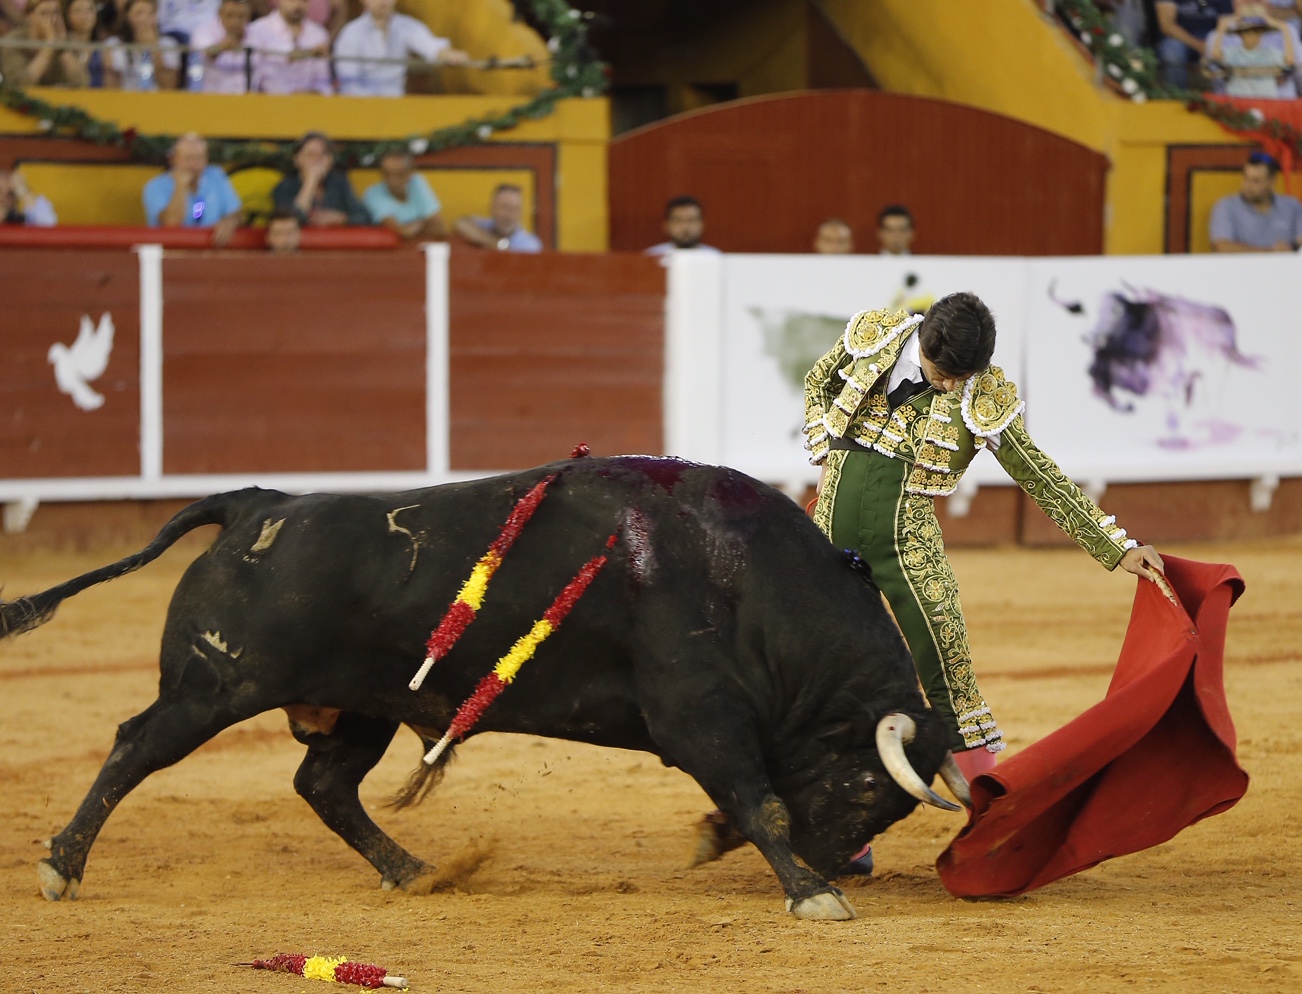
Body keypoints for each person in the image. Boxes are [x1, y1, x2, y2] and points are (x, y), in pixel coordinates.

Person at [804, 294, 1164, 778]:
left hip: (907, 544)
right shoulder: (877, 335)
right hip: (828, 536)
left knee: (948, 662)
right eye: (941, 374)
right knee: (819, 667)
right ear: (922, 340)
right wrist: (825, 451)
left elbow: (1039, 474)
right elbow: (819, 382)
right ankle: (840, 822)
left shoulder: (983, 394)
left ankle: (987, 811)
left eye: (961, 377)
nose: (951, 385)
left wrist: (1116, 546)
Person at [332, 0, 468, 97]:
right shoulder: (350, 33)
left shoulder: (406, 26)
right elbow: (349, 83)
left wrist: (450, 55)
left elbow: (431, 47)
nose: (382, 1)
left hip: (396, 104)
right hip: (359, 106)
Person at [142, 132, 242, 245]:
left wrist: (229, 222)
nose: (195, 165)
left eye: (200, 158)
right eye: (189, 159)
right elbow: (171, 223)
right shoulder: (155, 187)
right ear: (173, 160)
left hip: (211, 251)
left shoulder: (216, 176)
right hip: (171, 253)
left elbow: (236, 214)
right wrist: (180, 186)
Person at [1209, 149, 1302, 251]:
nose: (1248, 186)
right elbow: (1223, 248)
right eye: (1246, 178)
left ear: (1272, 182)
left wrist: (1292, 248)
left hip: (1288, 266)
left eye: (1256, 181)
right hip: (1240, 267)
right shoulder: (1226, 207)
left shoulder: (1292, 206)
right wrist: (1270, 253)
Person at [271, 131, 369, 227]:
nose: (317, 160)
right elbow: (292, 221)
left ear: (330, 161)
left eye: (323, 155)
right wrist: (311, 182)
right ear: (297, 160)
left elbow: (364, 217)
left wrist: (340, 218)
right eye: (311, 155)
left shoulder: (339, 182)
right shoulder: (284, 187)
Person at [245, 0, 331, 94]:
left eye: (304, 1)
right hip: (268, 103)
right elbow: (252, 77)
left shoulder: (318, 34)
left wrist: (310, 95)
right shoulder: (258, 30)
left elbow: (323, 82)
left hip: (308, 104)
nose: (298, 5)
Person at [1206, 7, 1296, 96]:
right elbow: (1216, 55)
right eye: (1248, 33)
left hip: (1265, 99)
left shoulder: (1269, 53)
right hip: (1238, 98)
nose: (1253, 37)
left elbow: (1289, 60)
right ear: (1241, 35)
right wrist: (1221, 28)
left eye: (1257, 33)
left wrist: (1284, 28)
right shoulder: (1233, 53)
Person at [362, 148, 447, 241]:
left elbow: (439, 227)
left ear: (410, 173)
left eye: (399, 174)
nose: (392, 180)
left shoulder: (417, 181)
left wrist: (413, 227)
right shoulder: (373, 194)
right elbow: (403, 232)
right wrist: (423, 222)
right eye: (387, 174)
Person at [0, 0, 89, 87]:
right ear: (29, 16)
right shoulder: (15, 42)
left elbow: (81, 82)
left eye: (56, 13)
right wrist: (49, 47)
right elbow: (22, 83)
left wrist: (62, 47)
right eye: (44, 13)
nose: (52, 19)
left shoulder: (70, 40)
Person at [1155, 0, 1236, 88]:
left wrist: (1213, 43)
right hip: (1179, 38)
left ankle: (1226, 97)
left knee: (1232, 47)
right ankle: (1179, 97)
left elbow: (1227, 20)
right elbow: (1167, 26)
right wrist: (1198, 45)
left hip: (1213, 37)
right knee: (1171, 52)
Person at [105, 0, 180, 89]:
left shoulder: (169, 44)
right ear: (127, 16)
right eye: (139, 13)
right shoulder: (114, 44)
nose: (145, 19)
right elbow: (111, 86)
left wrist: (154, 47)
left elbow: (168, 86)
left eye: (151, 13)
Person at [453, 183, 543, 252]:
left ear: (521, 212)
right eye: (504, 207)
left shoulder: (530, 245)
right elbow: (460, 223)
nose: (509, 215)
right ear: (492, 208)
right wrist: (497, 244)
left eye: (514, 209)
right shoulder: (485, 225)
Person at [188, 0, 251, 93]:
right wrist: (224, 46)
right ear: (220, 14)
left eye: (241, 16)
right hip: (215, 99)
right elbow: (207, 52)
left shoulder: (255, 32)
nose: (235, 21)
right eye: (230, 15)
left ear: (248, 16)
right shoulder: (204, 31)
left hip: (250, 100)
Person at [645, 195, 719, 256]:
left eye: (691, 220)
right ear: (666, 226)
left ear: (702, 225)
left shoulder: (714, 257)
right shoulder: (653, 257)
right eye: (678, 221)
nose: (685, 226)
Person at [63, 0, 107, 87]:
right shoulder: (63, 45)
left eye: (90, 10)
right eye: (78, 10)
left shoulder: (103, 45)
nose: (85, 16)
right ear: (68, 15)